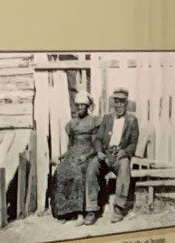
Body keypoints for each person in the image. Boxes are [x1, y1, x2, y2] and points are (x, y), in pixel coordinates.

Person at [52, 92, 105, 224]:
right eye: (78, 105)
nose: (80, 107)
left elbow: (96, 144)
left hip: (88, 152)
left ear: (87, 106)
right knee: (61, 171)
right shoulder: (72, 123)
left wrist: (86, 155)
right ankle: (64, 211)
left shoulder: (93, 121)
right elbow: (71, 144)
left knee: (78, 171)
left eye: (83, 105)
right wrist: (65, 155)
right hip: (73, 153)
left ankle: (81, 212)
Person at [98, 88, 139, 222]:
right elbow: (98, 138)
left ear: (126, 103)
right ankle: (91, 208)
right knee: (92, 167)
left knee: (124, 165)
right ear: (113, 102)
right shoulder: (106, 118)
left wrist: (126, 151)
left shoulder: (132, 120)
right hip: (106, 154)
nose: (119, 105)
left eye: (122, 102)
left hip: (120, 155)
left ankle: (118, 207)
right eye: (116, 101)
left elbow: (133, 142)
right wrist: (99, 151)